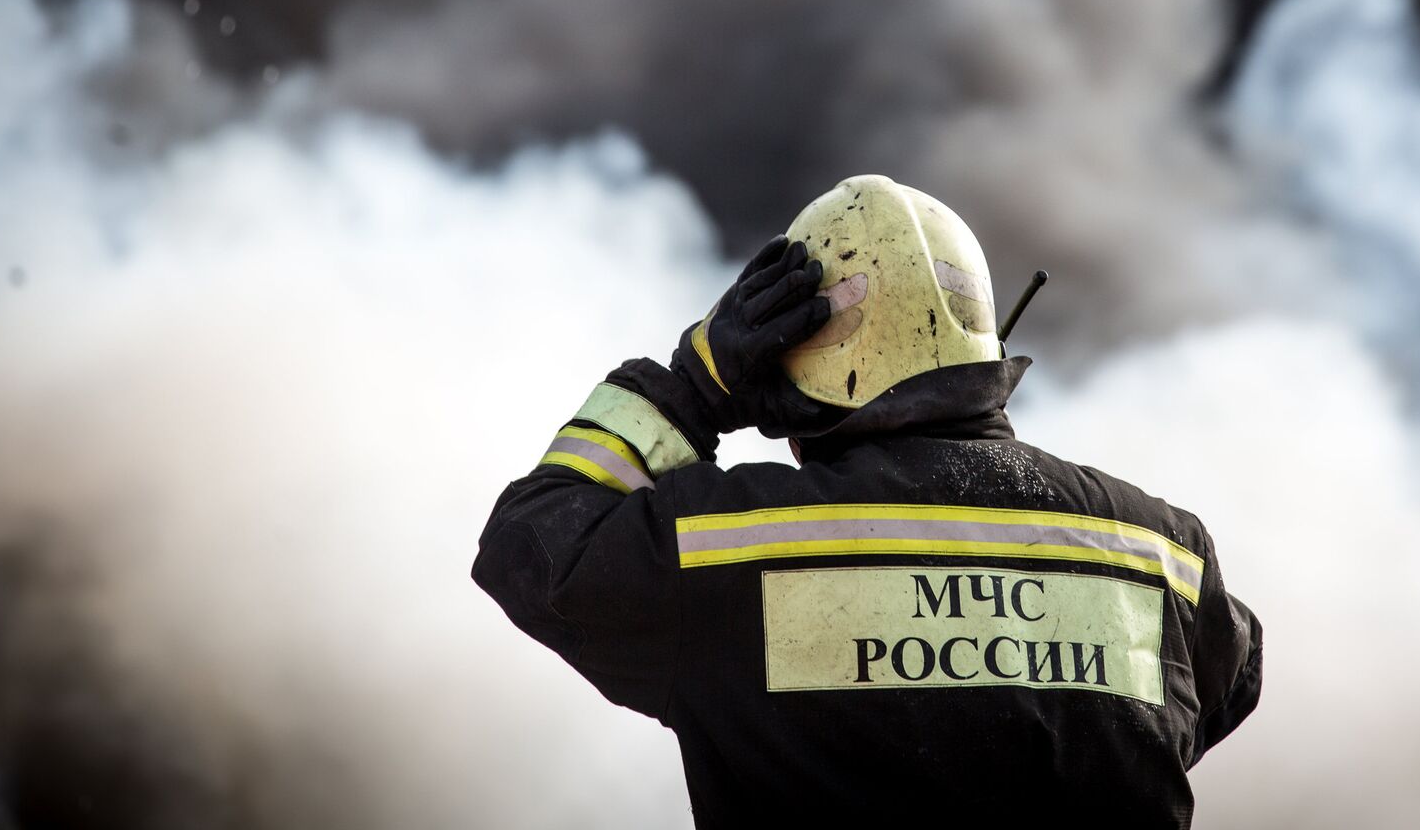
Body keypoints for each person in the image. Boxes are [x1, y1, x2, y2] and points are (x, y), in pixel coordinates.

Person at [473, 174, 1262, 827]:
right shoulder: (1166, 557)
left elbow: (531, 541)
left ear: (792, 383)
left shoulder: (724, 558)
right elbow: (1231, 678)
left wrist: (696, 387)